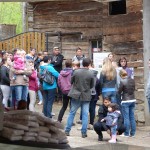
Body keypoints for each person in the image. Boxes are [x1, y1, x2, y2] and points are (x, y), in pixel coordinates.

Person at [65, 58, 94, 138]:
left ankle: (67, 130)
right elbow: (92, 85)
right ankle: (84, 132)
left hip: (76, 94)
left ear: (82, 64)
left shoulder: (76, 72)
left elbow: (71, 82)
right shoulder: (91, 73)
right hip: (86, 95)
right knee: (85, 114)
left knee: (72, 113)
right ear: (89, 64)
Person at [118, 69, 136, 137]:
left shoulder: (122, 81)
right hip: (133, 99)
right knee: (132, 117)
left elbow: (119, 91)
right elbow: (133, 89)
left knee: (126, 118)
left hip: (125, 100)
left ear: (120, 75)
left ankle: (126, 133)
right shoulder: (132, 80)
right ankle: (133, 133)